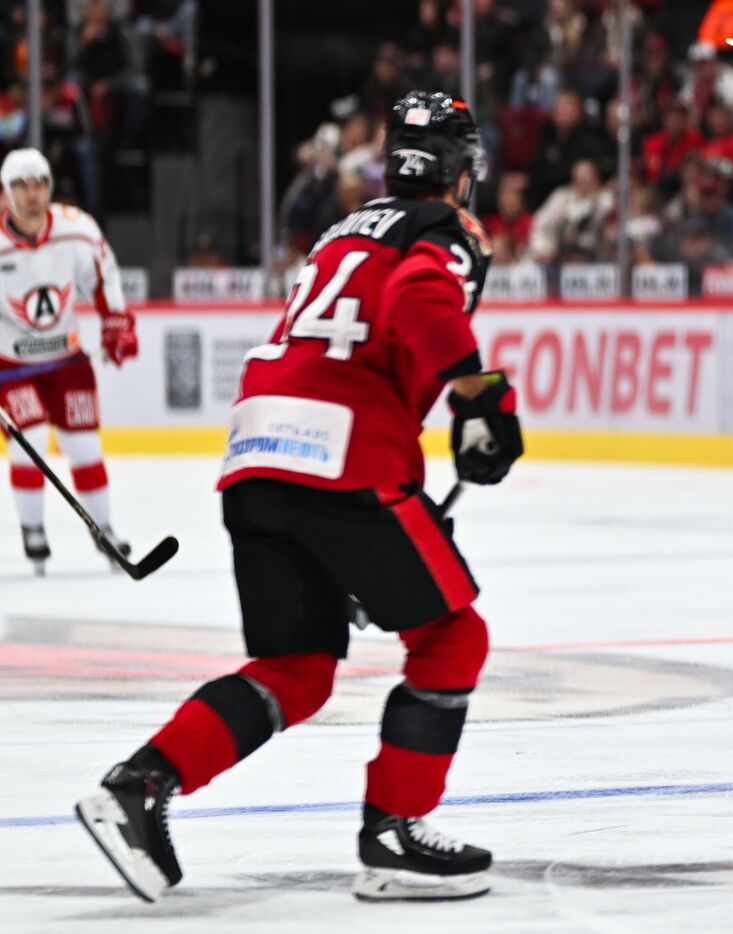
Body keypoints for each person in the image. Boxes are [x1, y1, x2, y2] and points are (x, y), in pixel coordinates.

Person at [75, 91, 523, 903]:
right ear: (461, 172)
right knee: (452, 639)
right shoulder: (442, 232)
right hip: (345, 459)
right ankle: (394, 833)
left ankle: (139, 786)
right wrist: (481, 397)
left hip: (257, 453)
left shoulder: (341, 230)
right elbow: (418, 302)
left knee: (296, 668)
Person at [0, 147, 136, 575]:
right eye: (22, 185)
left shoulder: (77, 230)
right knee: (31, 441)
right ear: (6, 192)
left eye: (39, 182)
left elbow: (104, 274)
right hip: (11, 365)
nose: (32, 193)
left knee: (84, 444)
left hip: (68, 360)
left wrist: (117, 323)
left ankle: (104, 528)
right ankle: (33, 530)